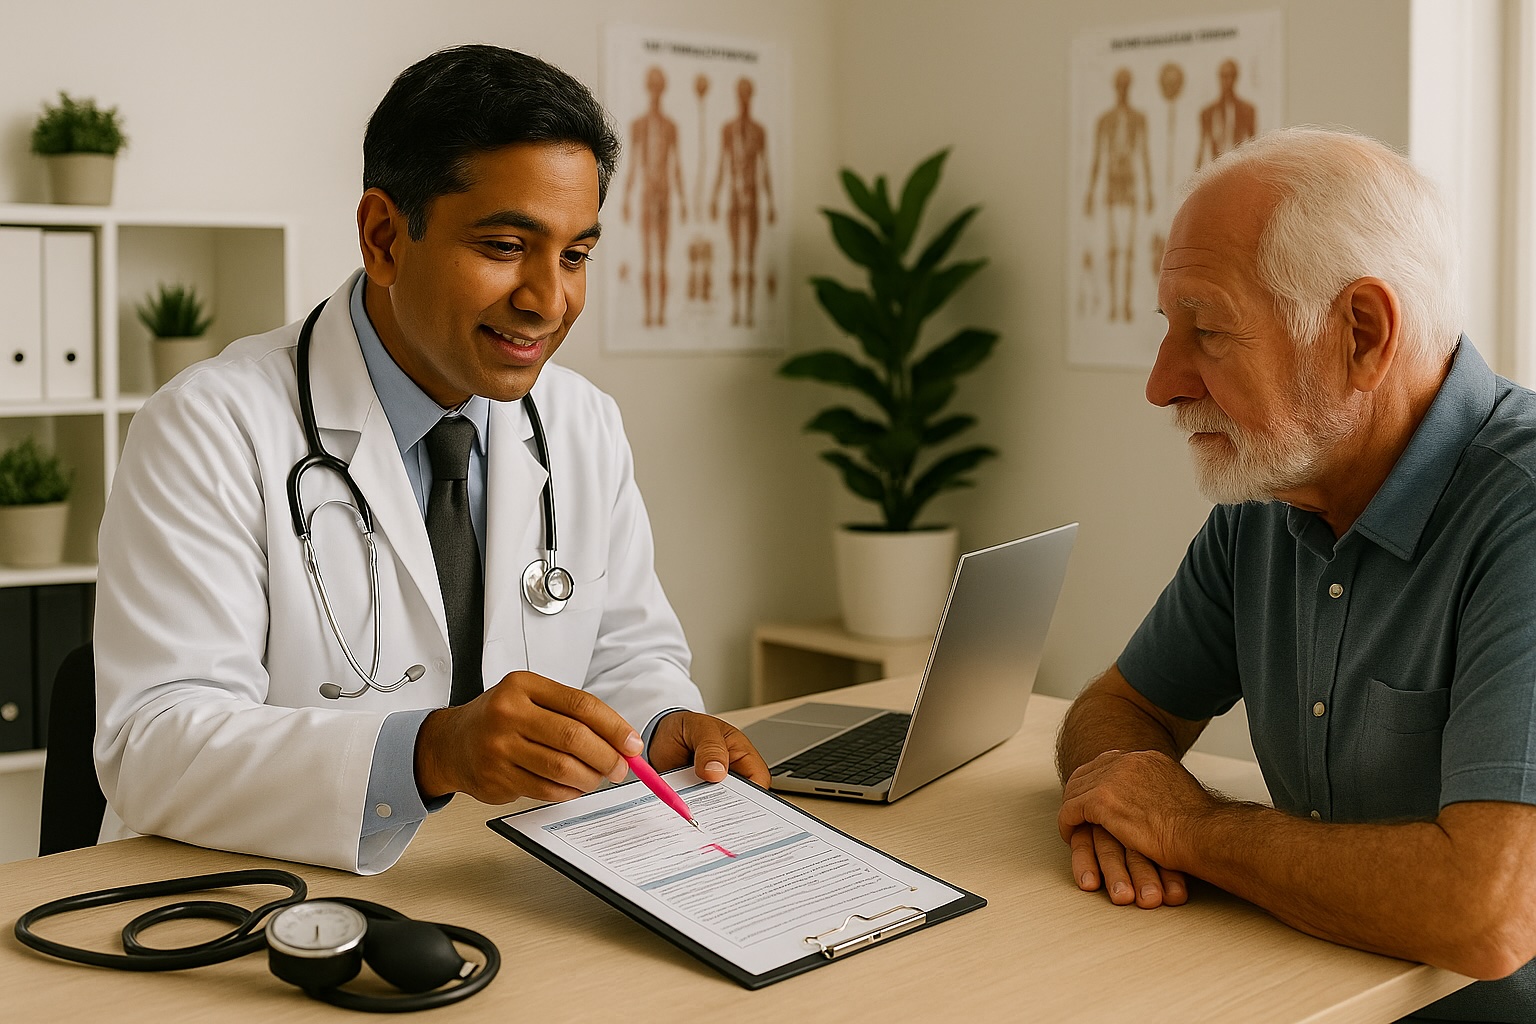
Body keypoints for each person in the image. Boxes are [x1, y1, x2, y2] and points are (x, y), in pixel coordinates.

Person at [93, 45, 768, 875]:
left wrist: (665, 729)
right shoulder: (210, 425)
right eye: (504, 245)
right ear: (384, 236)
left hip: (495, 886)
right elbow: (151, 746)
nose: (548, 301)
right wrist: (431, 751)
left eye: (575, 255)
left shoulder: (582, 423)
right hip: (257, 903)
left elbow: (628, 657)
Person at [1056, 126, 1536, 1022]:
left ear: (1362, 332)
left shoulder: (1525, 514)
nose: (1161, 384)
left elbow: (1487, 914)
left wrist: (1188, 827)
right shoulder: (1272, 496)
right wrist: (1123, 799)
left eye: (1208, 331)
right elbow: (1120, 711)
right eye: (1170, 331)